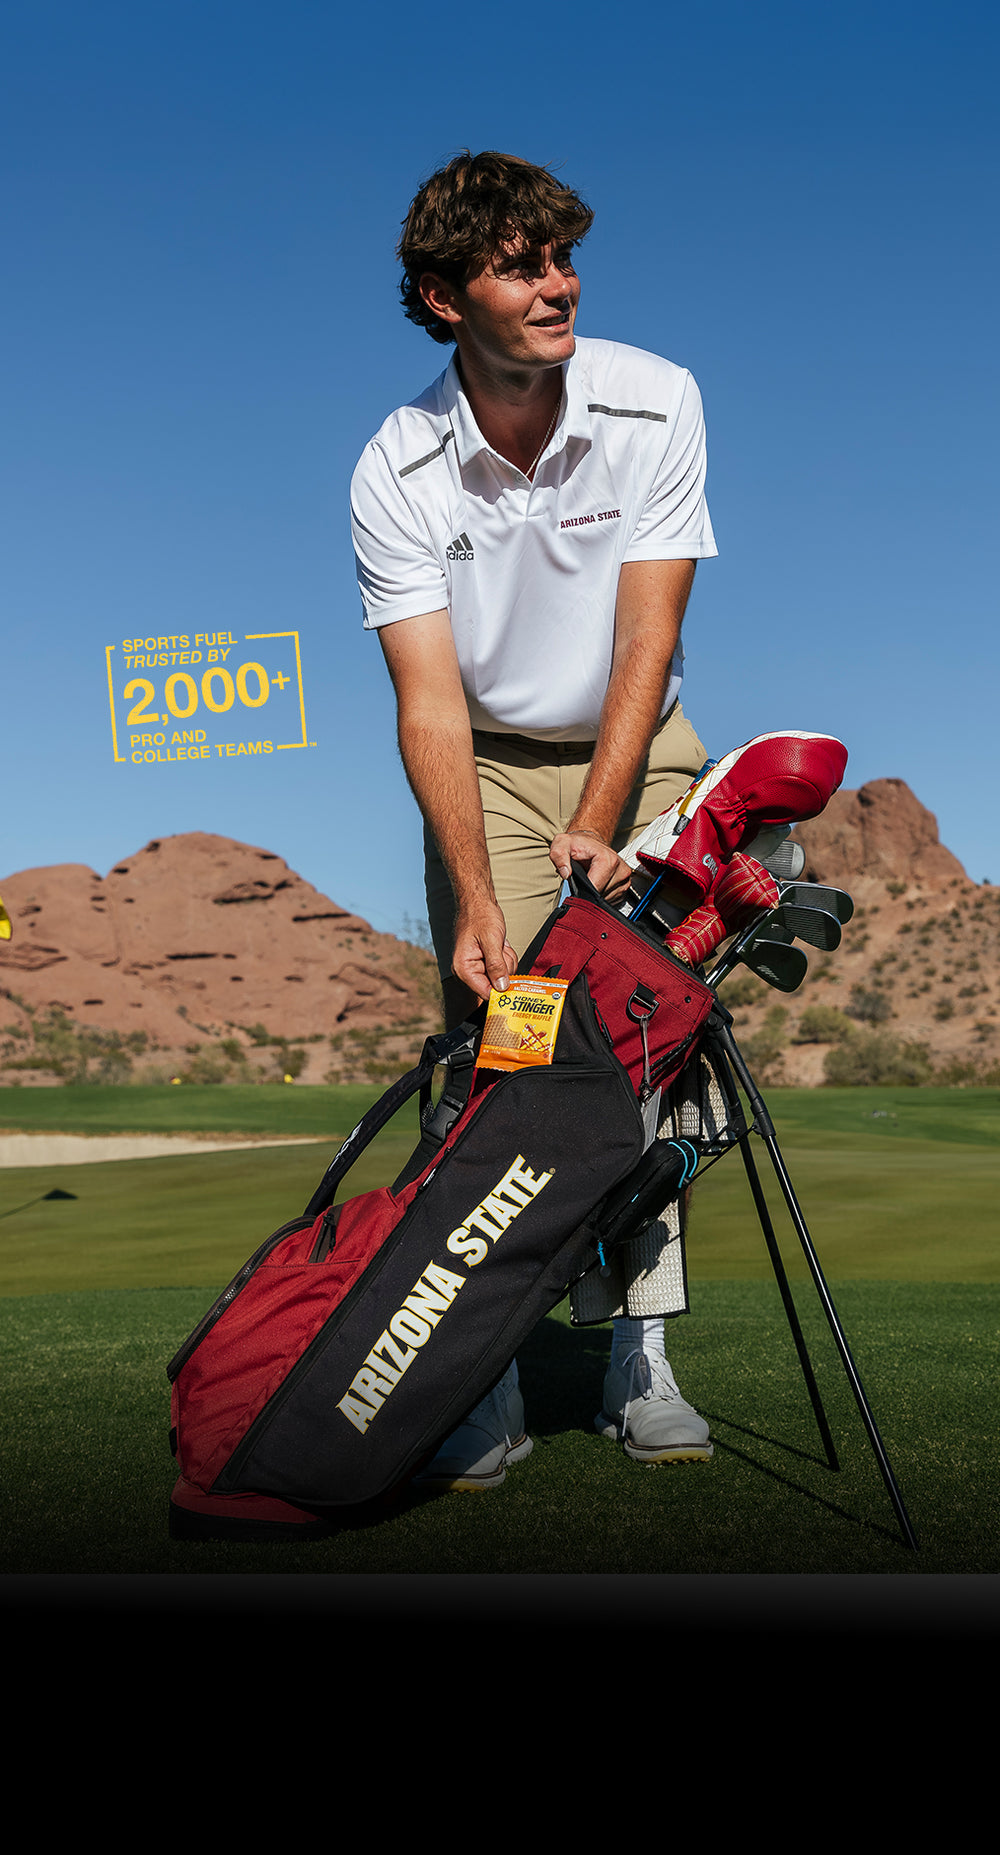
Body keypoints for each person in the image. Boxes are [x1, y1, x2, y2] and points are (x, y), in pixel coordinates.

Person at [350, 151, 719, 1489]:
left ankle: (642, 1360)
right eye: (521, 267)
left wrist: (607, 821)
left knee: (653, 1058)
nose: (559, 286)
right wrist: (478, 891)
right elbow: (431, 706)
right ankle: (485, 1376)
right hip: (490, 770)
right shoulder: (396, 465)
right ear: (446, 300)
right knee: (503, 1060)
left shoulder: (655, 396)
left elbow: (646, 638)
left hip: (641, 750)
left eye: (564, 258)